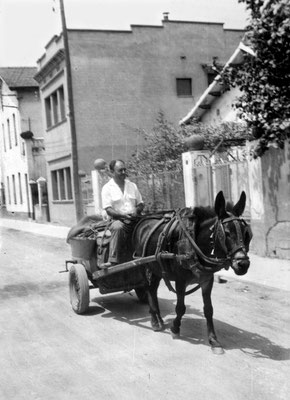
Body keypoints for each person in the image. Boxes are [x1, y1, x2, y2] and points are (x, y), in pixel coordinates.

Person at [101, 159, 144, 267]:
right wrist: (122, 216)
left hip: (135, 219)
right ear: (112, 172)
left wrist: (136, 210)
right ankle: (113, 259)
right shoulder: (107, 188)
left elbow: (141, 203)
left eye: (125, 169)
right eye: (120, 170)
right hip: (118, 220)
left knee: (150, 226)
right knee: (117, 227)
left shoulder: (132, 185)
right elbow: (108, 209)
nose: (124, 172)